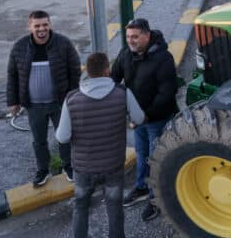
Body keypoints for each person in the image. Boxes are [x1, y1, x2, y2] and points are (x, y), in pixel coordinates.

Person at [56, 53, 144, 238]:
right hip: (113, 166)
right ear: (107, 70)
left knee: (81, 207)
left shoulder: (72, 99)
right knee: (114, 207)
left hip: (83, 169)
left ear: (87, 72)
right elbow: (139, 118)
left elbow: (62, 138)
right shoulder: (122, 93)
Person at [111, 18, 178, 222]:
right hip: (137, 117)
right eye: (128, 36)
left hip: (157, 119)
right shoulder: (126, 54)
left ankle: (156, 197)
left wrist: (147, 115)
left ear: (147, 36)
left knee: (157, 158)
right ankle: (141, 187)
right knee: (142, 154)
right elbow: (114, 78)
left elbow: (167, 92)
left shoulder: (164, 58)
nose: (130, 41)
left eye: (135, 37)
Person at [6, 10, 81, 187]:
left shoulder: (63, 43)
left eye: (45, 24)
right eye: (37, 25)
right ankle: (43, 170)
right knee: (39, 141)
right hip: (34, 106)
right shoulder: (19, 47)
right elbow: (12, 75)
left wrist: (71, 97)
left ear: (50, 25)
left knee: (65, 137)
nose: (42, 29)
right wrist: (13, 101)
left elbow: (75, 70)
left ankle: (69, 166)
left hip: (60, 103)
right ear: (30, 27)